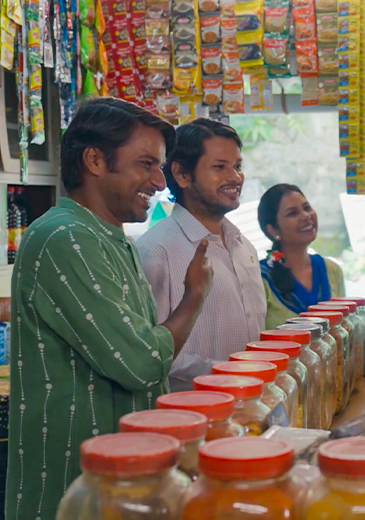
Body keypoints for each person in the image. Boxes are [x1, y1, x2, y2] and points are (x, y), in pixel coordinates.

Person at [6, 98, 213, 520]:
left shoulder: (110, 237)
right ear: (95, 160)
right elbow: (138, 361)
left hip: (119, 485)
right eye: (146, 164)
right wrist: (193, 297)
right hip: (73, 490)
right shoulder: (66, 237)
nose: (159, 182)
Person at [138, 118, 266, 391]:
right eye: (220, 167)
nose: (235, 177)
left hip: (251, 405)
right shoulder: (155, 251)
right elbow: (150, 354)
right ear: (182, 175)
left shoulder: (245, 247)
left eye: (238, 166)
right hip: (191, 417)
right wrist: (233, 373)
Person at [257, 184, 345, 329]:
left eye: (307, 207)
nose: (306, 216)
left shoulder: (332, 270)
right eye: (292, 213)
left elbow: (343, 328)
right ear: (273, 230)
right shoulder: (259, 279)